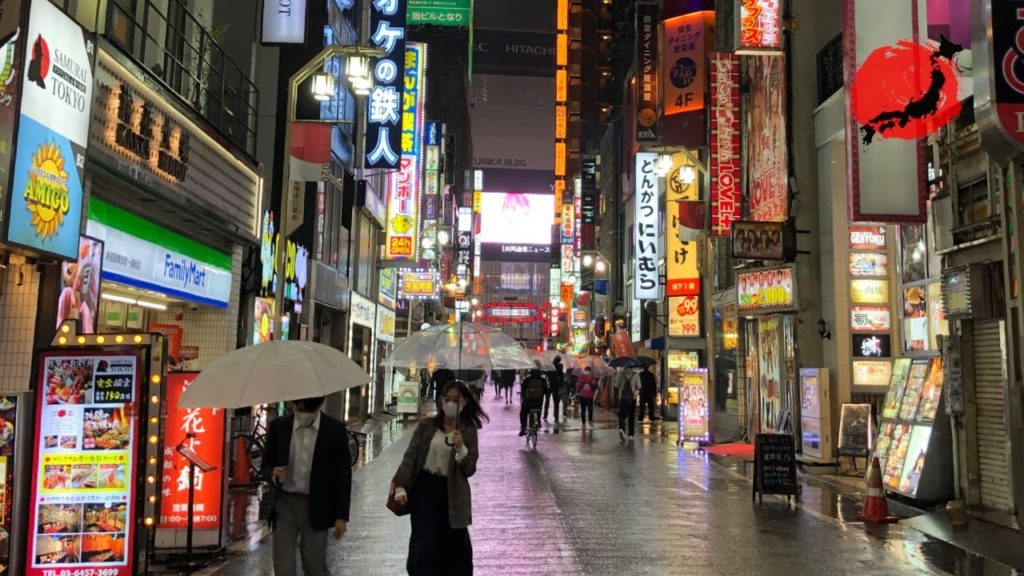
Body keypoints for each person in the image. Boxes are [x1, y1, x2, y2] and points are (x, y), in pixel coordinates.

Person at [391, 381, 488, 576]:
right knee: (424, 543)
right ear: (441, 401)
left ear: (465, 402)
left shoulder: (468, 429)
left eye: (456, 399)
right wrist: (401, 486)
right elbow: (411, 457)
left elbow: (469, 468)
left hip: (453, 493)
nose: (450, 403)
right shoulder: (427, 425)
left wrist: (461, 446)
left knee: (454, 546)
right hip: (426, 490)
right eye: (447, 399)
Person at [261, 396, 352, 576]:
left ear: (318, 406)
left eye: (307, 411)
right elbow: (265, 465)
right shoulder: (279, 427)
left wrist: (341, 516)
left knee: (314, 565)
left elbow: (344, 475)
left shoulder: (334, 430)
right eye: (299, 409)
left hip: (317, 504)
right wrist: (273, 473)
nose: (302, 414)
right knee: (283, 567)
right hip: (285, 504)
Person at [519, 367, 548, 436]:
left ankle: (523, 427)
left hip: (528, 401)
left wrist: (523, 396)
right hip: (538, 401)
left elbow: (523, 390)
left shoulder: (527, 379)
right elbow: (545, 391)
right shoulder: (543, 380)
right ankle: (538, 420)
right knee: (539, 409)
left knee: (523, 413)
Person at [616, 368, 640, 441]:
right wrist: (635, 392)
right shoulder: (636, 375)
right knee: (631, 416)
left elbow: (617, 386)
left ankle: (621, 428)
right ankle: (631, 434)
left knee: (622, 415)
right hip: (632, 398)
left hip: (622, 398)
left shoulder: (621, 374)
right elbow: (639, 387)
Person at [543, 357, 564, 431]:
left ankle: (545, 415)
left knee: (547, 400)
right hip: (555, 386)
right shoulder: (559, 367)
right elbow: (561, 377)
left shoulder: (549, 366)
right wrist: (561, 385)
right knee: (556, 402)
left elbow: (545, 374)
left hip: (548, 386)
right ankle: (556, 416)